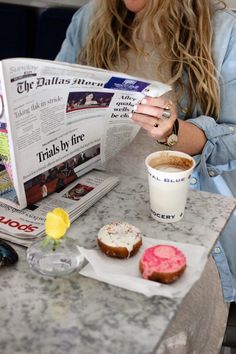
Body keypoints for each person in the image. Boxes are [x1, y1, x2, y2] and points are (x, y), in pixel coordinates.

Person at [56, 0, 236, 351]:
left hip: (182, 215)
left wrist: (174, 132)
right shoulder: (90, 18)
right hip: (89, 200)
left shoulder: (224, 31)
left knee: (152, 331)